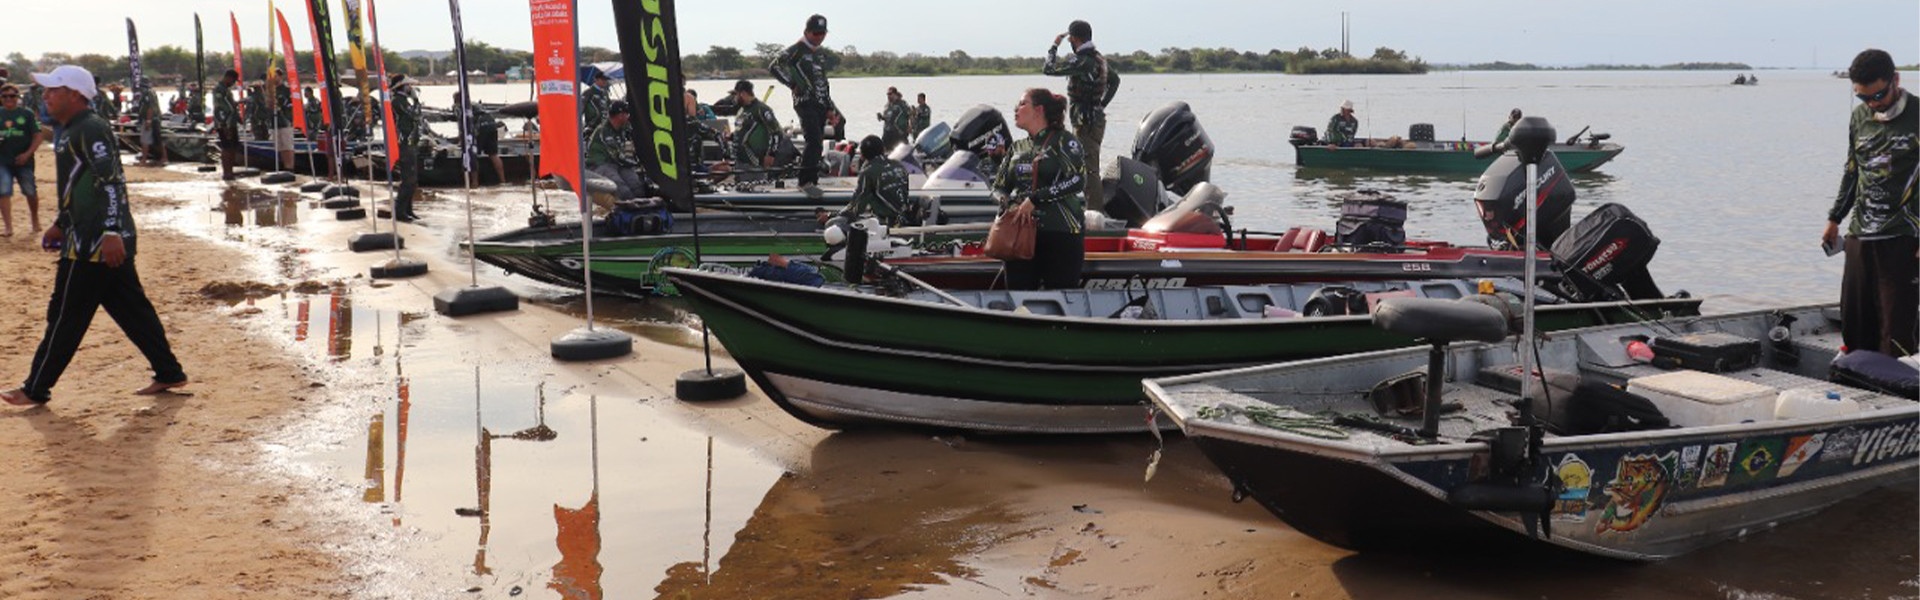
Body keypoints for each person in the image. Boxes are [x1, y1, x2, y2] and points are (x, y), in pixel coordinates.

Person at [3, 65, 188, 407]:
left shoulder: (91, 128)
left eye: (52, 90)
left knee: (65, 315)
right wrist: (61, 221)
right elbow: (76, 184)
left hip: (95, 243)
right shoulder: (69, 130)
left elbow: (112, 181)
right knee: (132, 310)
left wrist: (112, 231)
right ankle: (169, 372)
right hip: (86, 235)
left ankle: (35, 387)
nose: (45, 96)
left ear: (74, 94)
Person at [1822, 48, 1918, 358]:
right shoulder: (1859, 117)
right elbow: (1852, 170)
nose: (1872, 103)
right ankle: (1858, 387)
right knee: (1856, 324)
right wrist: (1835, 218)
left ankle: (1901, 396)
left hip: (1904, 237)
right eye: (1863, 98)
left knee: (1897, 329)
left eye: (1877, 95)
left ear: (1896, 80)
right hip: (1860, 235)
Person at [991, 89, 1086, 291]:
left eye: (1023, 104)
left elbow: (1078, 179)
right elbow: (998, 187)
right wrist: (1006, 203)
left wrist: (1035, 199)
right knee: (1017, 296)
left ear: (1039, 110)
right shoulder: (1016, 147)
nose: (1016, 109)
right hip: (1020, 235)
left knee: (1062, 294)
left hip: (1061, 232)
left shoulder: (1064, 141)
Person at [1042, 19, 1115, 210]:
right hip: (1095, 120)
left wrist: (1054, 46)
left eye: (1070, 40)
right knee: (1081, 165)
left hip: (1086, 123)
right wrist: (1101, 104)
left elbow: (1048, 69)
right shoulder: (1099, 59)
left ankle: (1094, 215)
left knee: (1089, 170)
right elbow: (1115, 82)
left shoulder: (1082, 61)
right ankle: (1082, 208)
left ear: (1074, 38)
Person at [769, 14, 835, 199]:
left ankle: (812, 180)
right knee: (812, 139)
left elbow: (823, 81)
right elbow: (774, 66)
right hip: (805, 102)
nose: (819, 36)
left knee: (818, 142)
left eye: (823, 33)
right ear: (807, 32)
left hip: (821, 103)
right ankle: (804, 181)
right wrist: (792, 84)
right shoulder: (797, 50)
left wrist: (830, 107)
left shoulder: (820, 53)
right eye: (816, 33)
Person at [835, 135, 913, 227]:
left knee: (834, 223)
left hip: (886, 224)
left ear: (863, 156)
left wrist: (834, 215)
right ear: (883, 149)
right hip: (906, 218)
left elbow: (858, 205)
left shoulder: (868, 171)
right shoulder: (899, 166)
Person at [0, 84, 45, 237]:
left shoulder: (27, 114)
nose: (8, 99)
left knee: (30, 191)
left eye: (12, 96)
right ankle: (8, 227)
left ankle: (35, 220)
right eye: (5, 96)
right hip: (3, 160)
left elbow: (38, 136)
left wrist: (27, 154)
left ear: (17, 97)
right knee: (3, 191)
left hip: (24, 161)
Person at [585, 100, 650, 201]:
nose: (628, 117)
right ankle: (626, 210)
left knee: (637, 186)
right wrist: (634, 163)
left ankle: (644, 207)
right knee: (621, 189)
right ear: (620, 115)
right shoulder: (603, 130)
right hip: (600, 164)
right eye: (626, 114)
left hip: (617, 164)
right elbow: (616, 155)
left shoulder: (623, 128)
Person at [390, 74, 425, 221]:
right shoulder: (398, 101)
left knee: (413, 179)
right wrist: (416, 99)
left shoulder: (403, 101)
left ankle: (408, 210)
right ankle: (399, 211)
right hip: (404, 143)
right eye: (408, 85)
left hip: (411, 143)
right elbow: (415, 115)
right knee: (408, 179)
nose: (410, 87)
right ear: (402, 86)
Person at [729, 79, 779, 183]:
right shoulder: (741, 110)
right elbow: (741, 130)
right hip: (739, 161)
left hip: (754, 161)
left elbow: (776, 133)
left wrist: (771, 154)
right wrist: (731, 136)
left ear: (743, 94)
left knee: (756, 188)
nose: (734, 98)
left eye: (736, 95)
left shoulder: (762, 109)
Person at [453, 91, 505, 186]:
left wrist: (461, 140)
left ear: (456, 100)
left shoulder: (460, 107)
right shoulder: (474, 104)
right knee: (493, 154)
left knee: (472, 154)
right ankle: (503, 181)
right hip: (491, 124)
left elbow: (462, 125)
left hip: (480, 126)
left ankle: (474, 182)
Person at [212, 70, 242, 180]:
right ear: (228, 78)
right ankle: (227, 172)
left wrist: (238, 118)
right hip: (224, 123)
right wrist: (224, 125)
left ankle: (231, 171)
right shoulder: (219, 89)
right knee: (227, 147)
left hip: (231, 122)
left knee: (233, 146)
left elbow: (231, 106)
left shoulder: (226, 90)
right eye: (233, 80)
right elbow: (221, 107)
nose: (233, 83)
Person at [136, 84, 167, 165]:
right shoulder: (152, 92)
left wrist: (148, 120)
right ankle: (164, 158)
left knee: (145, 140)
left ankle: (144, 159)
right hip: (154, 119)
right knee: (157, 139)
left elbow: (150, 107)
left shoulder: (147, 93)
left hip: (150, 119)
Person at [268, 71, 295, 169]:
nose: (274, 79)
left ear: (280, 76)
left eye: (276, 76)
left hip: (285, 121)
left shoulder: (286, 90)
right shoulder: (271, 91)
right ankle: (284, 166)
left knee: (287, 145)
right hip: (275, 122)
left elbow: (291, 105)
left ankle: (290, 167)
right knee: (279, 146)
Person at [580, 67, 612, 136]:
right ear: (596, 80)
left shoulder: (605, 93)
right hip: (592, 127)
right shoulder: (588, 92)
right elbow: (580, 109)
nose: (605, 81)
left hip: (604, 126)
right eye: (603, 79)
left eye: (606, 80)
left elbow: (609, 107)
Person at [877, 86, 911, 153]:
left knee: (901, 151)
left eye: (890, 94)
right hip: (887, 131)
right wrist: (881, 117)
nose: (888, 96)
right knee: (884, 149)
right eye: (887, 94)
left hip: (899, 132)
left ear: (895, 94)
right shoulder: (887, 105)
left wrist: (910, 126)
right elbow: (888, 117)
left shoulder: (901, 104)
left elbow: (910, 114)